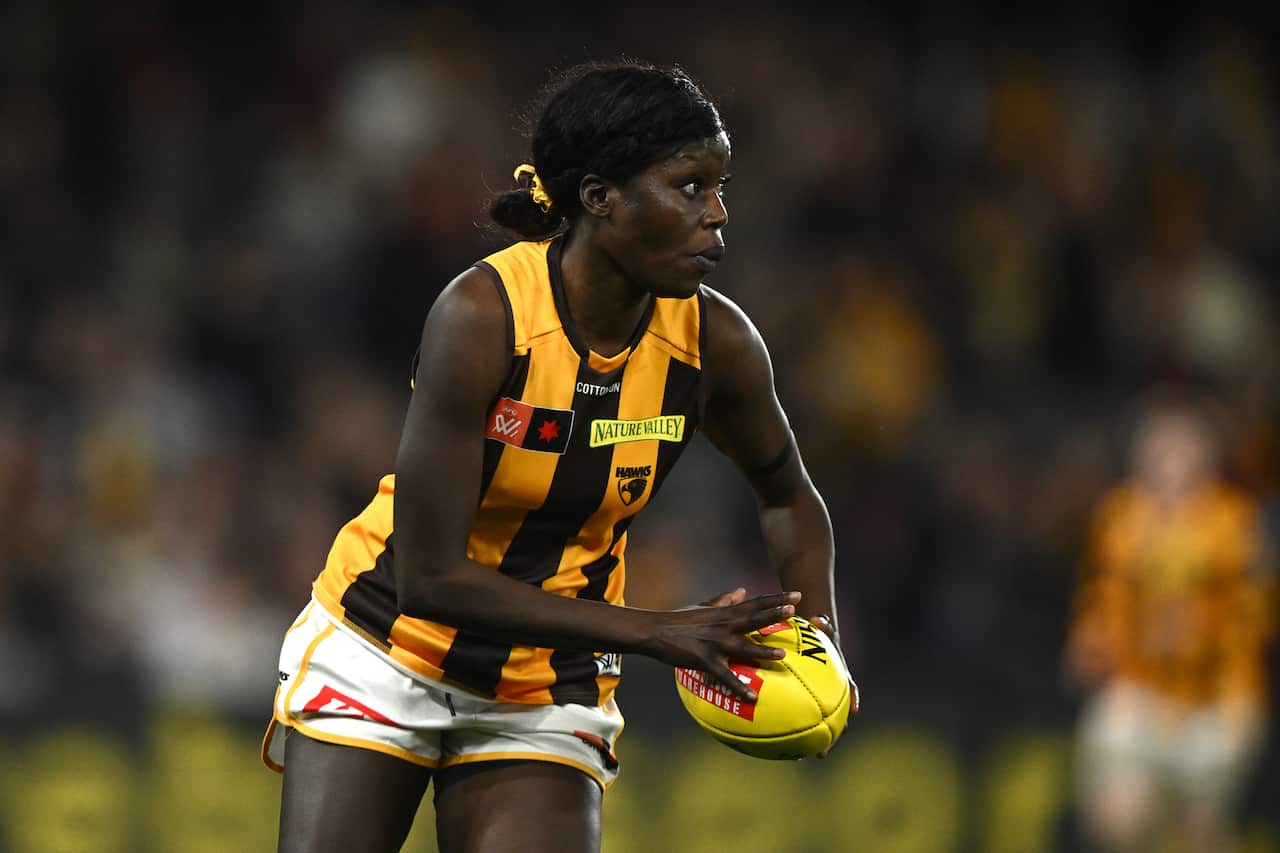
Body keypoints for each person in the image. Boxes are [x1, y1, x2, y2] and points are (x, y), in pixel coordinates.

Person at [262, 60, 850, 853]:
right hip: (388, 645)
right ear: (600, 198)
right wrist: (654, 630)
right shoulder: (483, 315)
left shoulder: (717, 343)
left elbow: (789, 498)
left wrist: (818, 645)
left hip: (546, 681)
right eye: (689, 186)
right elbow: (427, 578)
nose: (717, 214)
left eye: (721, 185)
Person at [1066, 394, 1275, 853]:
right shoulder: (1120, 517)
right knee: (1118, 815)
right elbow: (1103, 596)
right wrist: (1091, 645)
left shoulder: (1232, 520)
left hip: (1216, 697)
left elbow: (1255, 611)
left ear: (1206, 454)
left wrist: (1200, 637)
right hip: (1141, 688)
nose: (1172, 460)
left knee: (1198, 831)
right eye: (1161, 447)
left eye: (1183, 447)